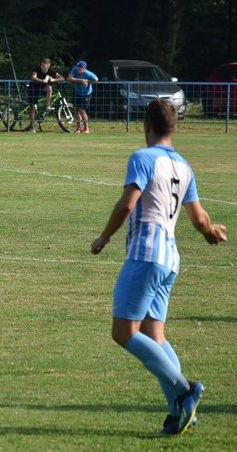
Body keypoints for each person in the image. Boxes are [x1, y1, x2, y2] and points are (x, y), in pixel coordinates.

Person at [91, 99, 227, 435]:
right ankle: (180, 411)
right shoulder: (184, 165)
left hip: (145, 253)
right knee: (155, 334)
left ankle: (185, 390)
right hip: (170, 258)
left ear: (146, 125)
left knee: (123, 332)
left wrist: (104, 237)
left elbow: (127, 204)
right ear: (175, 127)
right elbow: (199, 217)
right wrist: (211, 232)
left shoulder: (143, 157)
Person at [27, 57, 65, 133]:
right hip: (33, 88)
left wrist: (54, 79)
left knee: (49, 87)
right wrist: (42, 80)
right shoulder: (37, 69)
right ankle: (32, 126)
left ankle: (48, 105)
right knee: (33, 107)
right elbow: (33, 77)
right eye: (42, 65)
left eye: (45, 65)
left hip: (43, 89)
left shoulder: (51, 71)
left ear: (49, 65)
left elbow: (62, 78)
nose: (43, 67)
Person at [66, 60, 98, 133]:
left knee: (82, 110)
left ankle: (86, 129)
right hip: (77, 92)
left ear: (84, 68)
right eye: (78, 67)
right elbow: (69, 78)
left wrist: (88, 81)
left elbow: (96, 79)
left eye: (80, 68)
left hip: (86, 93)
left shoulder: (89, 73)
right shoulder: (75, 69)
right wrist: (81, 81)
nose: (78, 69)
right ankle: (78, 128)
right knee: (76, 110)